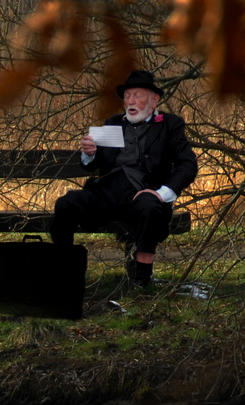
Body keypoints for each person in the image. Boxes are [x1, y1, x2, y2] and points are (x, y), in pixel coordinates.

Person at [50, 70, 198, 289]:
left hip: (142, 195)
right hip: (106, 194)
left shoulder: (170, 124)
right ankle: (65, 274)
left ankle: (142, 280)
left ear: (154, 99)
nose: (130, 101)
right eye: (127, 96)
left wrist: (162, 194)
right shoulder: (113, 122)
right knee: (66, 203)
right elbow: (95, 161)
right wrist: (89, 153)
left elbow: (188, 165)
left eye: (137, 95)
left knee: (150, 207)